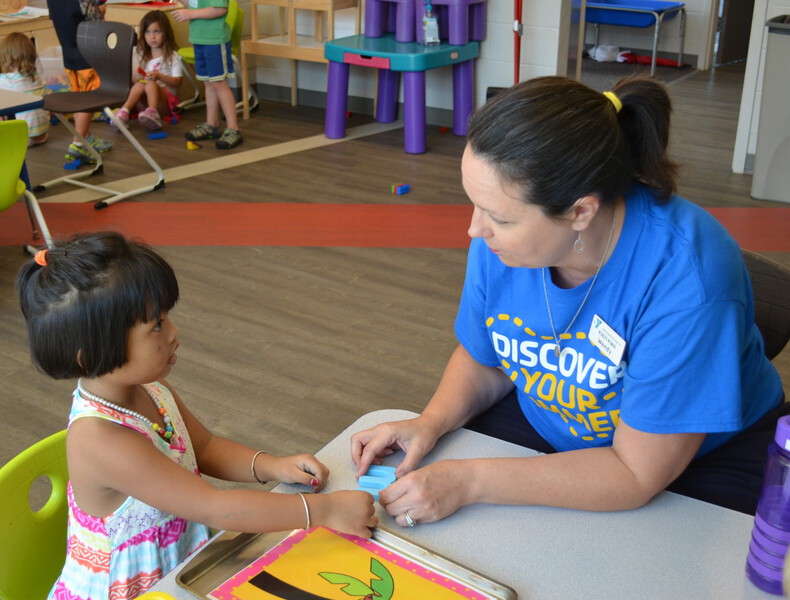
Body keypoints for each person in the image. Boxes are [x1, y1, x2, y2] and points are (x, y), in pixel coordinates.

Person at [350, 75, 787, 526]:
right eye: (475, 204)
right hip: (554, 425)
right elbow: (487, 358)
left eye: (499, 216)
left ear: (581, 211)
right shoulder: (500, 241)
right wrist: (431, 422)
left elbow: (635, 473)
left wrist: (470, 481)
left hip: (695, 459)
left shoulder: (688, 277)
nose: (474, 231)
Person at [17, 232, 377, 600]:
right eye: (156, 325)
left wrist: (271, 466)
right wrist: (325, 510)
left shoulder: (150, 390)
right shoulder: (101, 440)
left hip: (180, 567)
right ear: (91, 356)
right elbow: (217, 509)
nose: (174, 332)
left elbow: (202, 446)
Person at [46, 0, 113, 162]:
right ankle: (78, 144)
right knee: (87, 101)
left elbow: (54, 21)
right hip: (87, 56)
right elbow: (96, 22)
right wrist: (103, 8)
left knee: (79, 99)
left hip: (69, 56)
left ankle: (85, 136)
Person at [171, 0, 242, 150]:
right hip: (199, 39)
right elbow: (194, 4)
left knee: (218, 83)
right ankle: (212, 124)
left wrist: (190, 14)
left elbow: (220, 9)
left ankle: (234, 128)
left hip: (214, 40)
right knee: (208, 82)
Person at [113, 10, 183, 131]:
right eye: (148, 32)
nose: (152, 36)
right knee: (140, 84)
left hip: (165, 104)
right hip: (144, 105)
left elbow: (178, 83)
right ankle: (124, 112)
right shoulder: (143, 57)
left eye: (156, 31)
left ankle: (153, 114)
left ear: (165, 33)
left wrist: (159, 76)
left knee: (150, 84)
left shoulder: (172, 56)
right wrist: (136, 78)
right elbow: (136, 83)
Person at [0, 33, 49, 146]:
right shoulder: (36, 76)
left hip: (23, 138)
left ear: (7, 58)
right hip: (42, 134)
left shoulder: (6, 80)